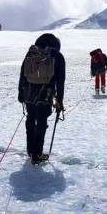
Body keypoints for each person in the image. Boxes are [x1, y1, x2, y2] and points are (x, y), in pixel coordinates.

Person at [18, 33, 65, 164]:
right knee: (42, 122)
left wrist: (20, 92)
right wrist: (59, 101)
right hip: (46, 94)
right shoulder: (58, 56)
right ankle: (37, 154)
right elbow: (60, 81)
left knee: (31, 118)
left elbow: (22, 73)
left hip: (29, 93)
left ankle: (30, 150)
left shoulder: (31, 53)